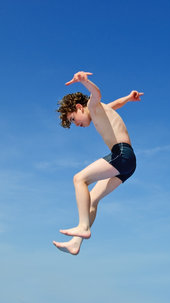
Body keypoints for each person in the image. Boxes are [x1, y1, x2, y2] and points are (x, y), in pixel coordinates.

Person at [53, 71, 143, 255]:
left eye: (73, 118)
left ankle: (83, 226)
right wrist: (128, 98)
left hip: (122, 155)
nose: (75, 124)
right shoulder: (100, 111)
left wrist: (84, 81)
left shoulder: (92, 105)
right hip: (128, 164)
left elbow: (97, 95)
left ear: (79, 106)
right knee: (92, 199)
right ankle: (76, 243)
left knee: (79, 179)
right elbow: (114, 104)